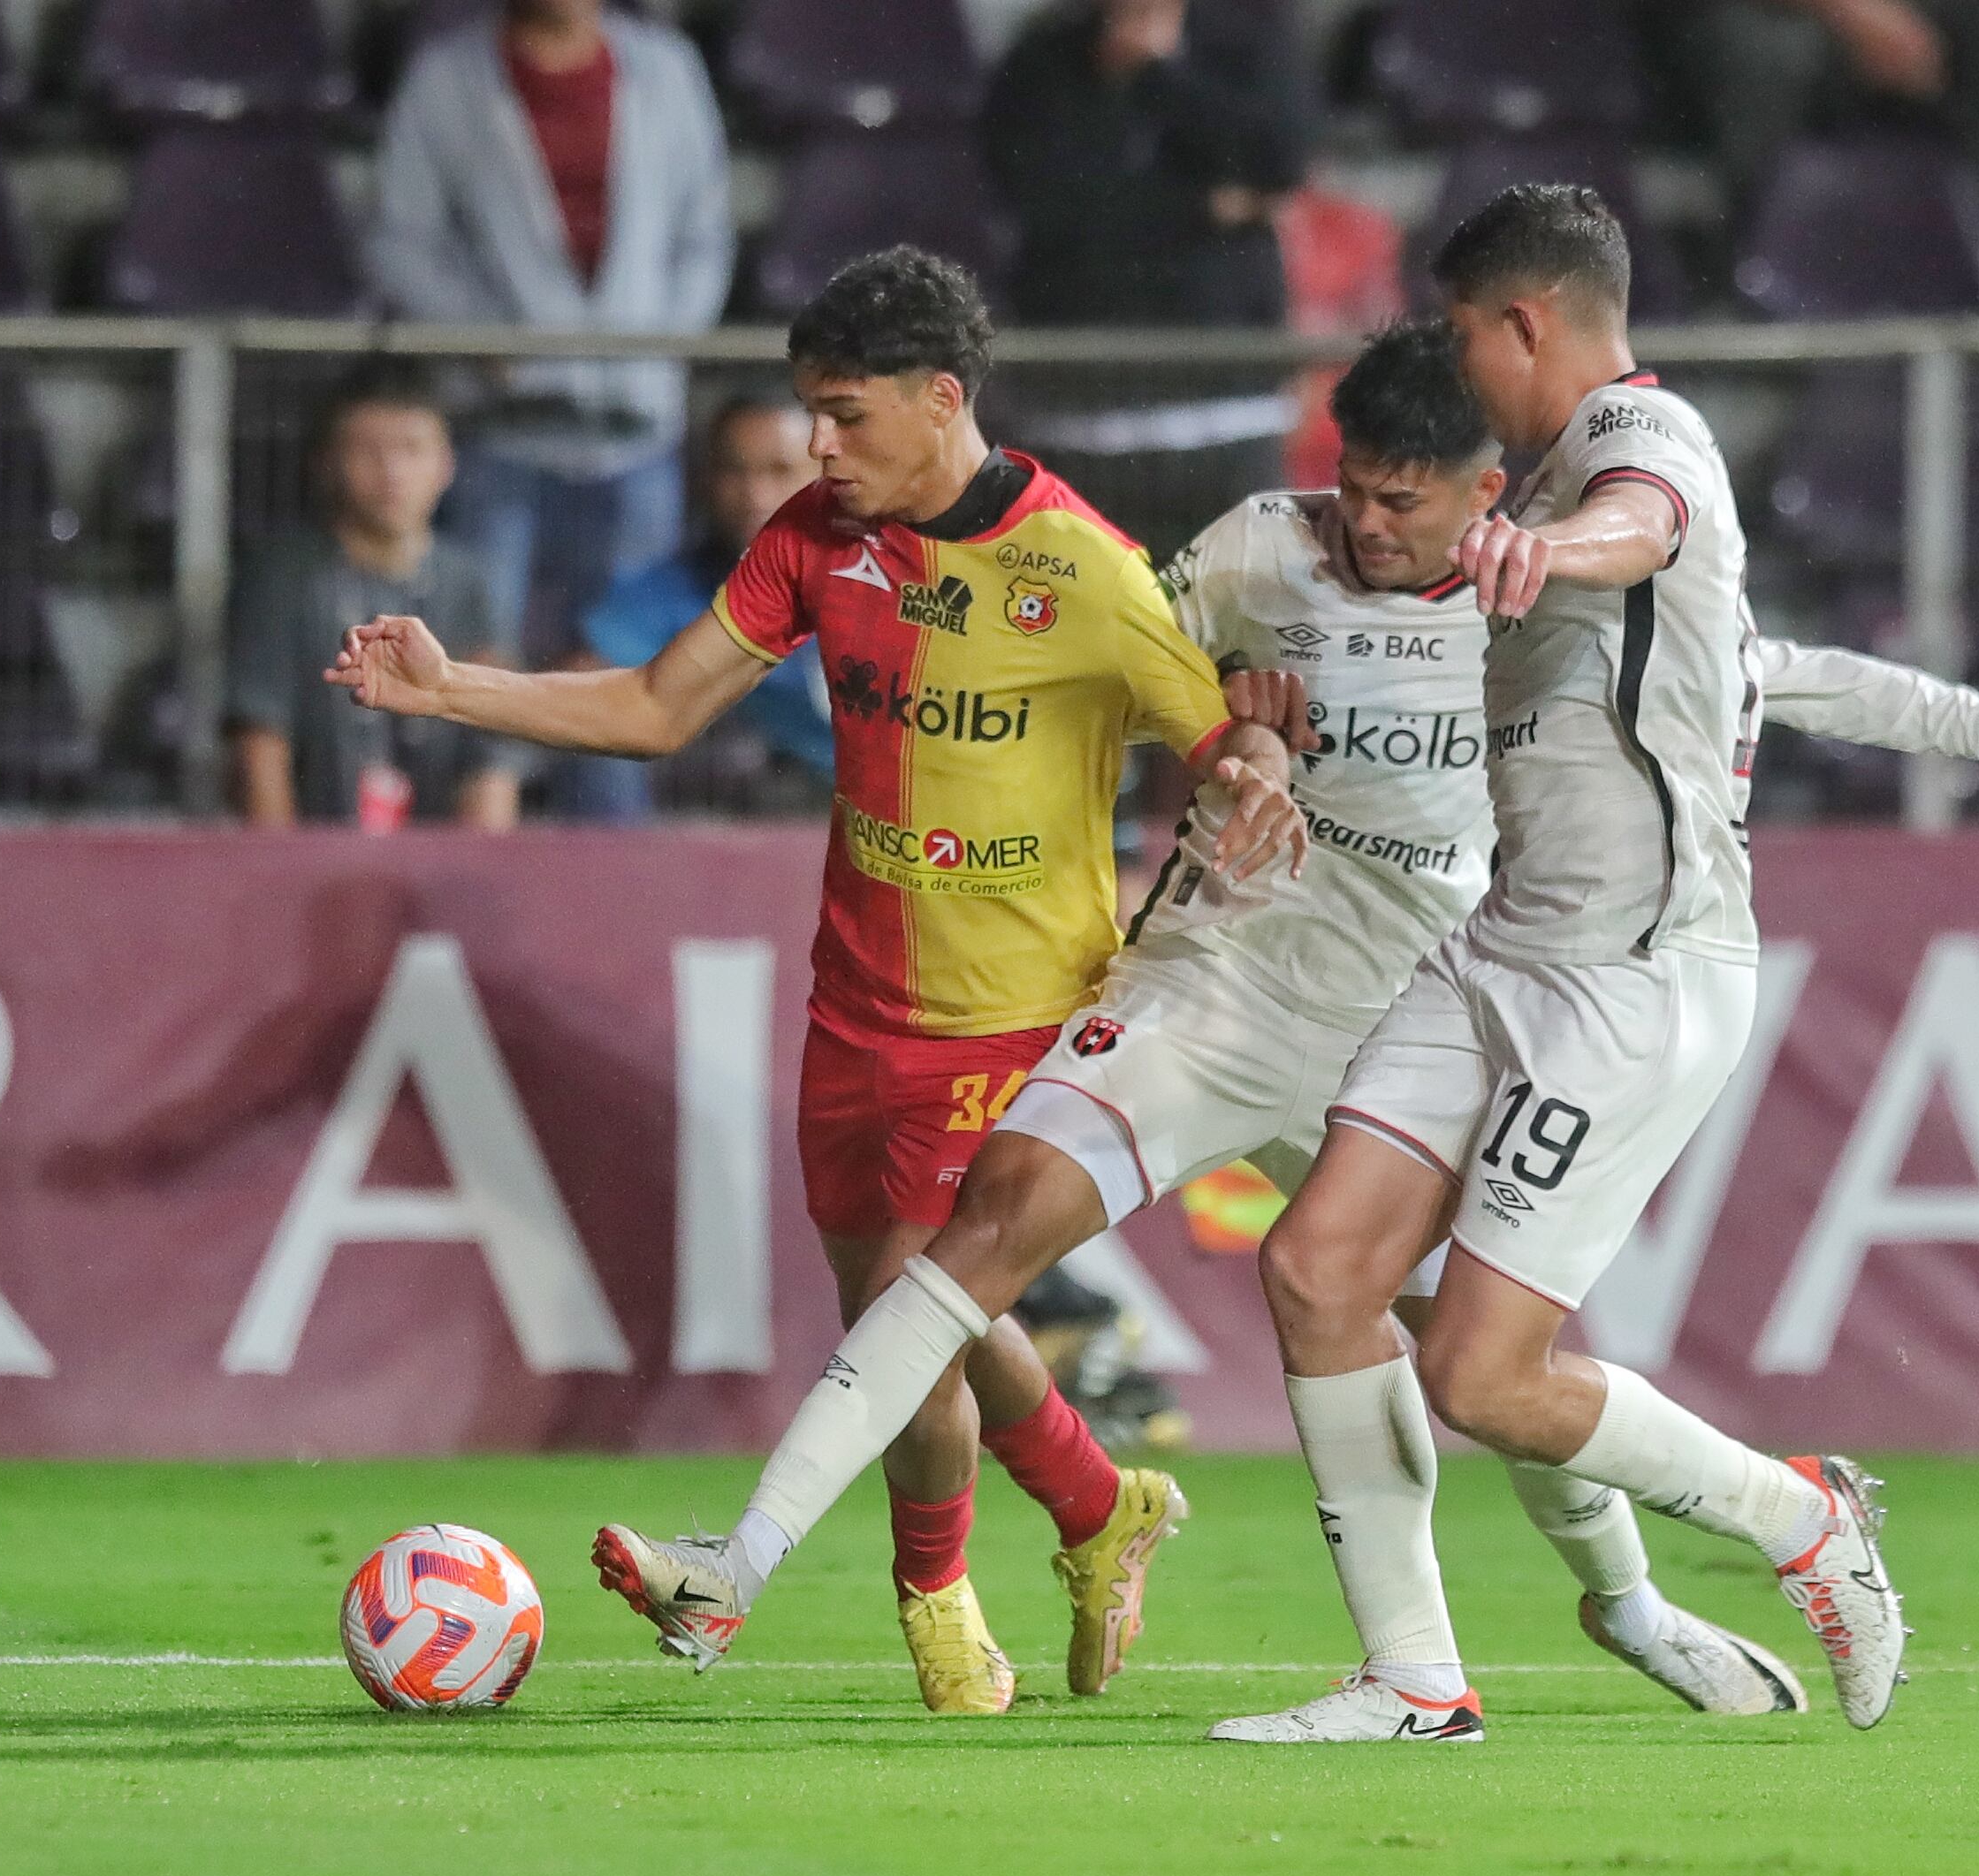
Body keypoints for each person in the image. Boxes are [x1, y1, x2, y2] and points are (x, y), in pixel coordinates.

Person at [581, 313, 1979, 1729]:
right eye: (1347, 483)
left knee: (1481, 1358)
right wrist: (1235, 745)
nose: (1357, 520)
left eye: (1396, 498)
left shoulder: (1537, 598)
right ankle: (743, 1560)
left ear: (1482, 496)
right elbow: (1114, 651)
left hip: (1396, 1031)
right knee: (988, 1220)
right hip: (1211, 988)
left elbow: (1777, 673)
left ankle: (1628, 1600)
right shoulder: (1252, 548)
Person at [1210, 186, 1979, 1744]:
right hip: (1499, 949)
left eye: (1462, 330)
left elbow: (1640, 525)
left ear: (1520, 322)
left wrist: (1547, 545)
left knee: (1476, 1370)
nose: (1450, 359)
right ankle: (1412, 1680)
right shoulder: (1537, 487)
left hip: (1632, 977)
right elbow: (1771, 664)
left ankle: (1798, 1518)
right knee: (1315, 1267)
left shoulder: (1633, 446)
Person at [325, 248, 1311, 1714]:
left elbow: (1216, 728)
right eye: (806, 415)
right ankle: (1100, 1505)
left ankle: (932, 1605)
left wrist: (1257, 770)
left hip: (1010, 1017)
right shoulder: (811, 539)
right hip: (853, 996)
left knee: (904, 1316)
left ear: (940, 397)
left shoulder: (1082, 571)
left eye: (841, 416)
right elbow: (660, 705)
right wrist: (451, 683)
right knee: (926, 1311)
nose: (815, 447)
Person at [371, 0, 733, 815]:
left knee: (623, 666)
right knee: (474, 659)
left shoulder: (666, 70)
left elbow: (703, 235)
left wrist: (654, 347)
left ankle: (609, 869)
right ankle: (473, 855)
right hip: (504, 427)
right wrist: (479, 339)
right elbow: (400, 236)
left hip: (636, 429)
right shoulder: (448, 78)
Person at [986, 0, 1316, 555]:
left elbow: (1280, 160)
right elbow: (1044, 205)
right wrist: (1207, 207)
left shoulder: (1248, 39)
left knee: (1231, 618)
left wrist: (1160, 74)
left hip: (1226, 411)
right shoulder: (1044, 54)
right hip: (1079, 414)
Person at [228, 363, 526, 830]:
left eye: (411, 449)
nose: (391, 472)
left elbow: (492, 756)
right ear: (326, 463)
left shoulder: (472, 582)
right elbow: (262, 744)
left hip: (437, 861)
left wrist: (473, 872)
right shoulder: (283, 577)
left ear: (446, 463)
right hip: (316, 852)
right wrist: (280, 875)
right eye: (367, 451)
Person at [577, 393, 833, 816]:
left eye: (779, 471)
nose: (754, 494)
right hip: (751, 818)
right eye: (735, 471)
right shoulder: (671, 589)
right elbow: (590, 674)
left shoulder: (884, 577)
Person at [1664, 0, 1979, 237]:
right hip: (1783, 18)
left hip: (1906, 19)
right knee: (1762, 56)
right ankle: (1757, 262)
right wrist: (1856, 16)